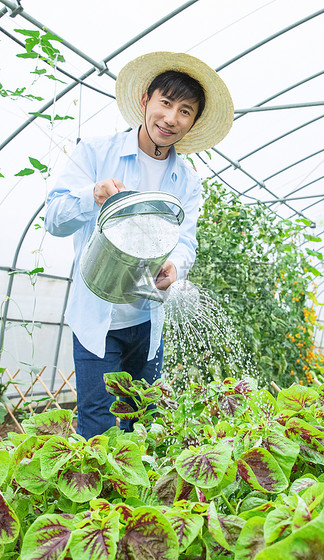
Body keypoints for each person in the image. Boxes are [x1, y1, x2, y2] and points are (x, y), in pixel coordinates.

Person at [44, 52, 234, 439]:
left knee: (143, 422)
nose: (171, 118)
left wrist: (176, 267)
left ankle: (136, 501)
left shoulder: (186, 180)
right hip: (98, 318)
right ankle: (95, 502)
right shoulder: (97, 154)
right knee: (98, 425)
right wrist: (91, 195)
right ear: (145, 100)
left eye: (185, 111)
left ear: (193, 121)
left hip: (148, 320)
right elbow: (54, 218)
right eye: (166, 103)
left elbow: (186, 240)